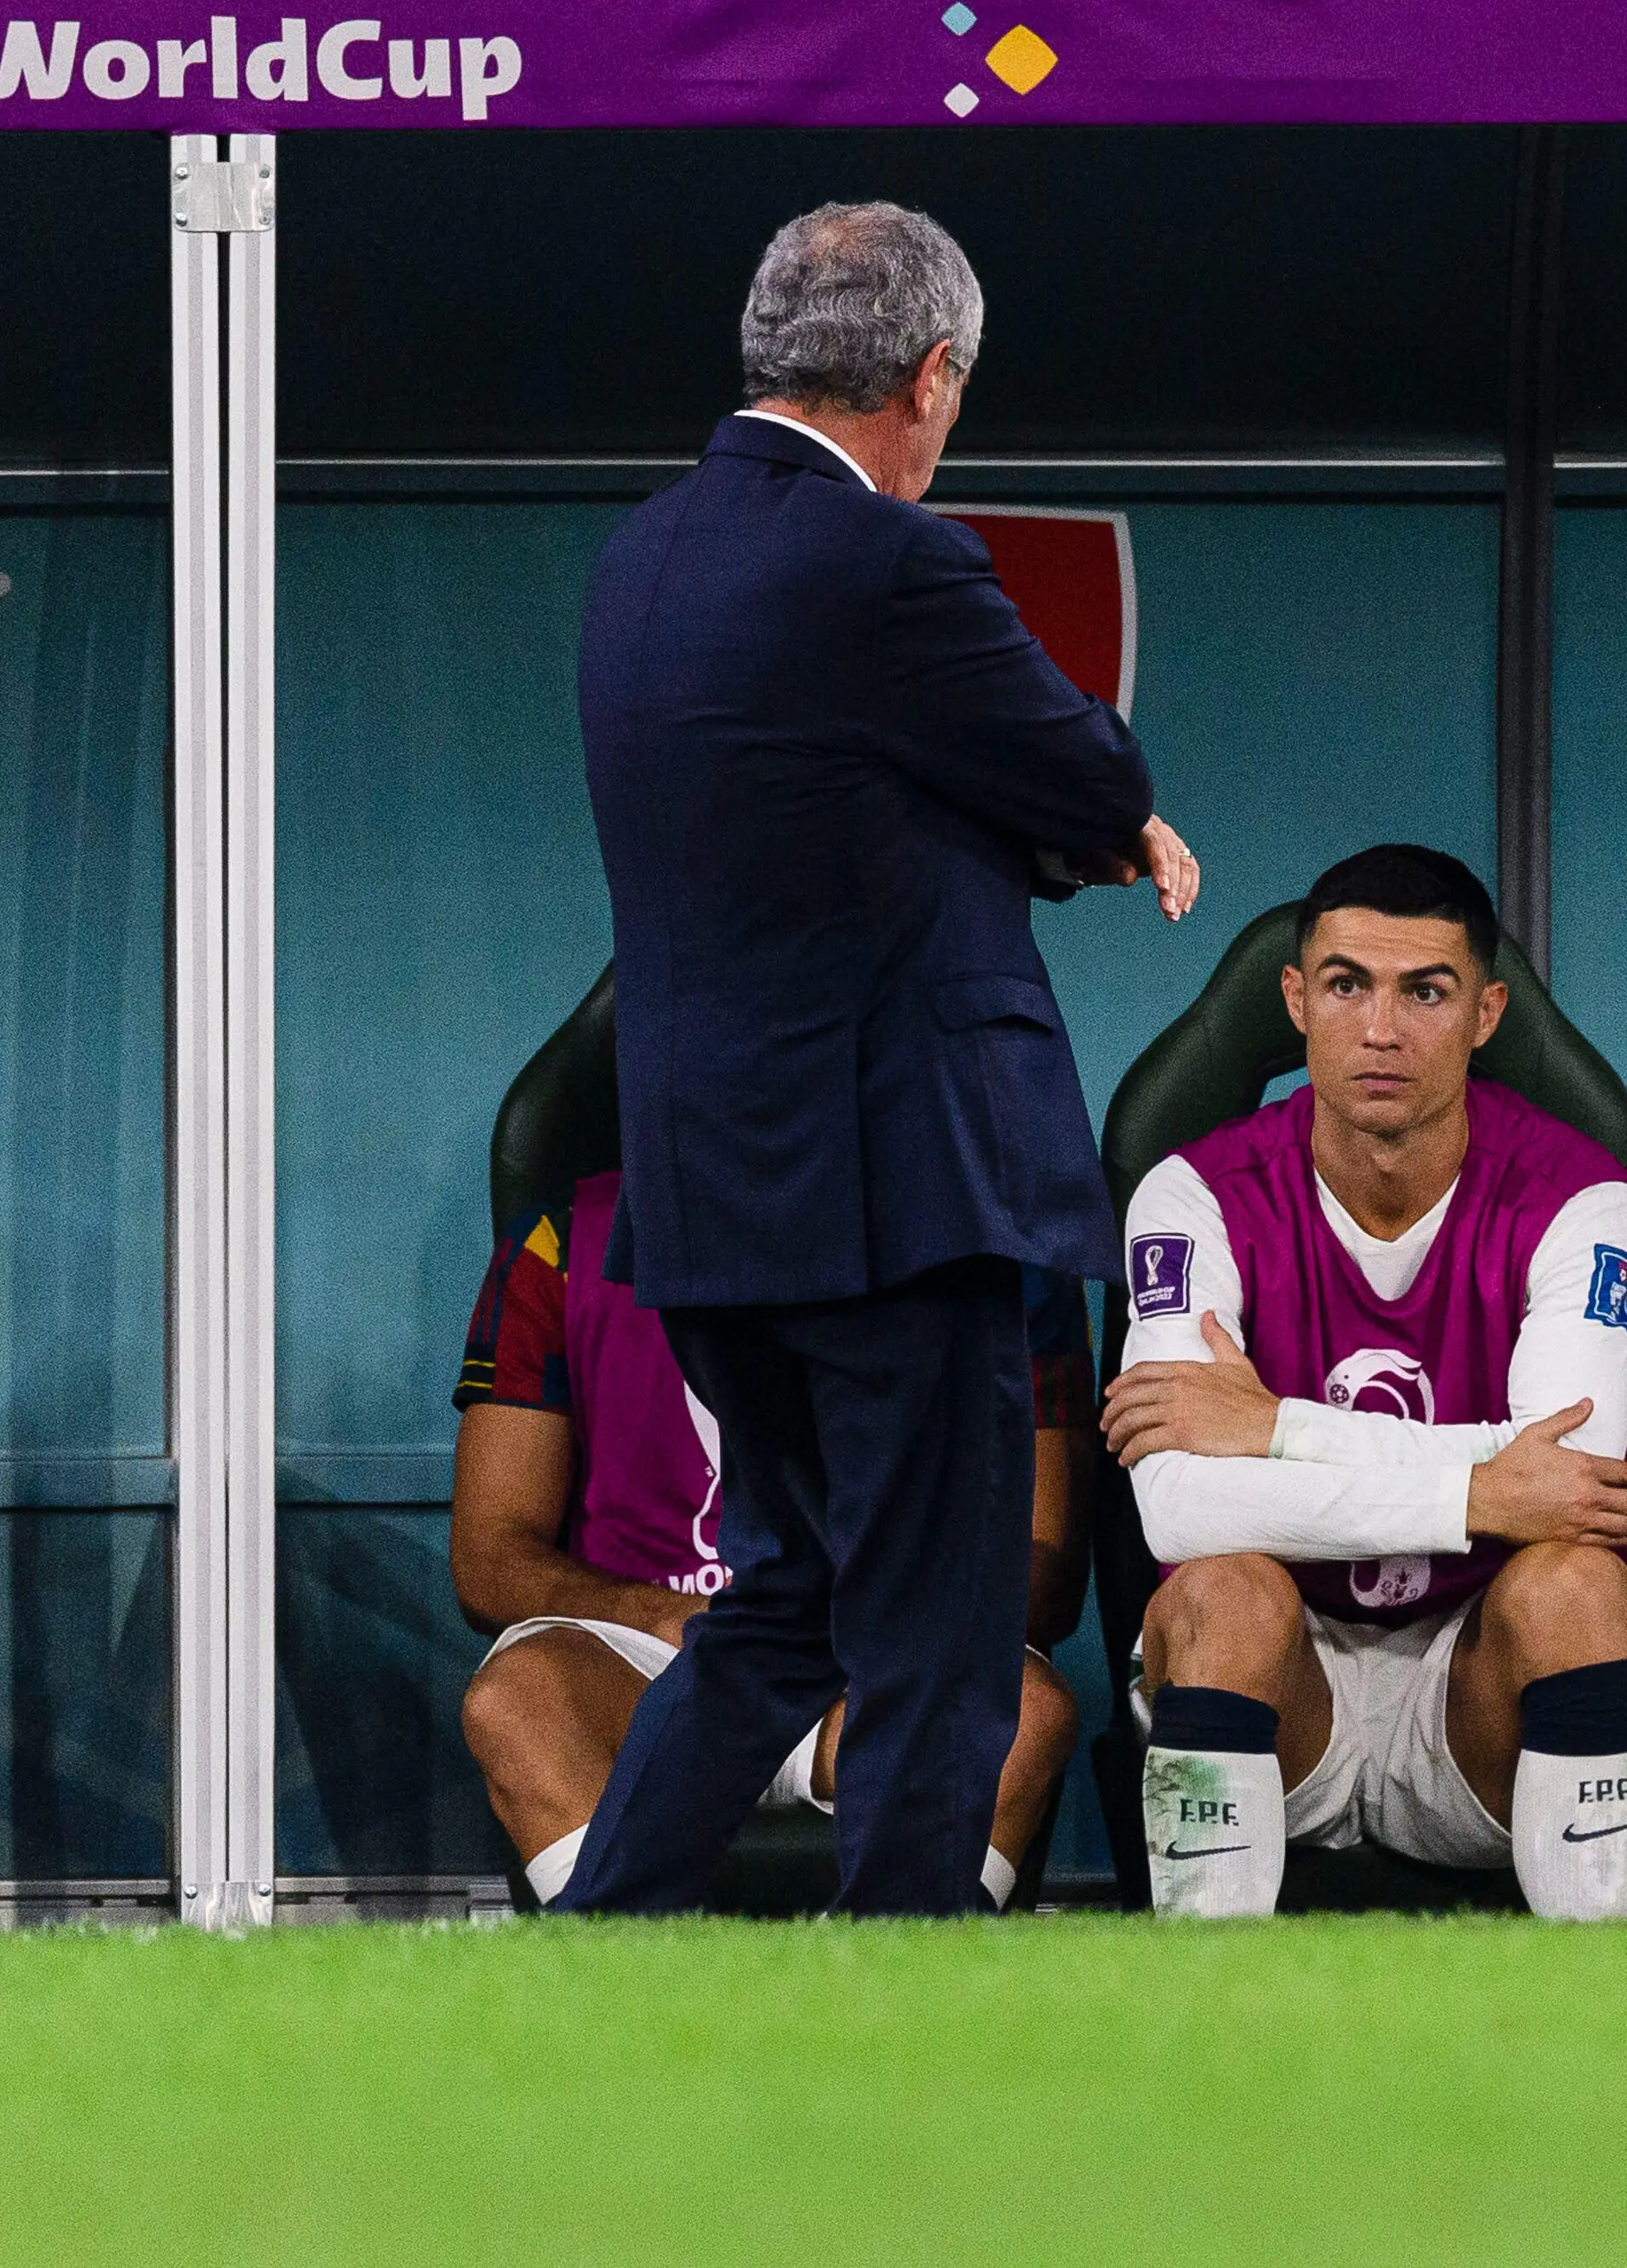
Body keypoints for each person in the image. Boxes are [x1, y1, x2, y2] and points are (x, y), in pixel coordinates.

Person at [569, 200, 1197, 1916]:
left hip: (716, 1197)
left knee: (788, 1595)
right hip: (895, 1194)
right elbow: (1081, 768)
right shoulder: (886, 560)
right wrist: (1105, 822)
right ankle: (904, 1986)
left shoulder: (642, 559)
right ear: (932, 376)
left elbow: (853, 806)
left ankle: (595, 1937)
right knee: (937, 1624)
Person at [1103, 844, 1627, 1922]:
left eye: (1427, 991)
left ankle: (1611, 2013)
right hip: (1281, 1672)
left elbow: (1575, 1484)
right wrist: (1481, 1487)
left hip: (1473, 1683)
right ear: (1296, 999)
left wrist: (1271, 1429)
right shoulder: (1191, 1193)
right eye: (1348, 984)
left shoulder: (1579, 1193)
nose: (1382, 1029)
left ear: (1487, 1013)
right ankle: (1201, 2029)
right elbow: (1177, 1508)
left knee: (1580, 1586)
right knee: (1221, 1589)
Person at [451, 1166, 1096, 1911]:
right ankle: (630, 1992)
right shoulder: (557, 1244)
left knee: (1028, 1710)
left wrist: (880, 1628)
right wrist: (661, 1615)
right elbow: (491, 1559)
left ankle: (894, 1991)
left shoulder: (1005, 1251)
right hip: (643, 1653)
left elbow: (1043, 1575)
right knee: (516, 1701)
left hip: (886, 1653)